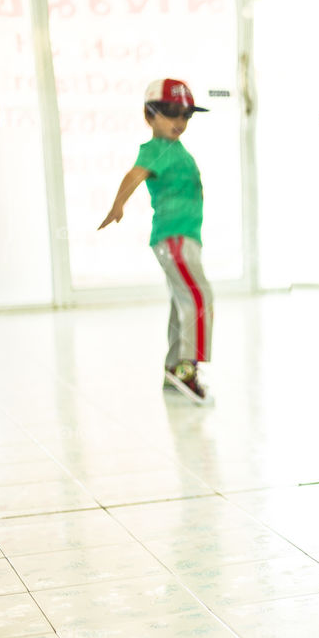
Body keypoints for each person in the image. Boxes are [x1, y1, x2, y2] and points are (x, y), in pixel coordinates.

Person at [99, 78, 214, 406]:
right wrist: (118, 204)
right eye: (171, 113)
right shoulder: (158, 149)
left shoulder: (174, 149)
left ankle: (172, 367)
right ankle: (187, 369)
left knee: (183, 301)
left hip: (183, 236)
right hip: (174, 237)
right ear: (149, 115)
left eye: (186, 115)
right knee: (199, 297)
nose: (180, 121)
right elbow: (135, 174)